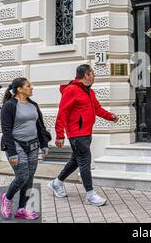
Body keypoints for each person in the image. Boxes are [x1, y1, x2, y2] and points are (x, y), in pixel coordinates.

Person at [48, 64, 119, 206]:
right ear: (86, 75)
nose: (94, 76)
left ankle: (57, 183)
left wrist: (110, 117)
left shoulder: (88, 92)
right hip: (77, 134)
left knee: (75, 161)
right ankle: (90, 194)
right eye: (92, 73)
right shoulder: (71, 90)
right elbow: (62, 112)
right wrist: (59, 135)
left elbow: (97, 109)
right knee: (85, 163)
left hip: (86, 132)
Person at [0, 77, 51, 220]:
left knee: (29, 179)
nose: (32, 88)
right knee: (22, 176)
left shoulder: (33, 105)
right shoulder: (9, 106)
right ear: (20, 89)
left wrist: (44, 144)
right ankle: (7, 198)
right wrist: (12, 153)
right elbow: (7, 131)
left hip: (33, 145)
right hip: (16, 145)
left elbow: (40, 126)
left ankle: (22, 209)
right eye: (28, 86)